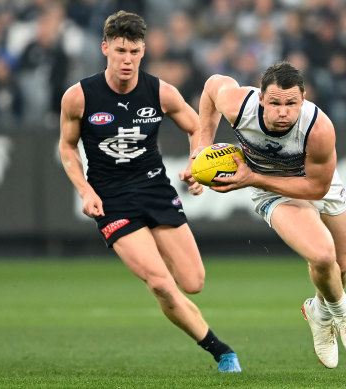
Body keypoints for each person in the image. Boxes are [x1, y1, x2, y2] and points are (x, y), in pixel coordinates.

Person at [58, 10, 241, 373]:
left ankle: (164, 279)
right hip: (112, 200)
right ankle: (221, 351)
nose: (128, 60)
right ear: (105, 48)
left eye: (135, 52)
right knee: (160, 283)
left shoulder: (161, 92)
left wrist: (196, 165)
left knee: (193, 282)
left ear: (144, 51)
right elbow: (67, 147)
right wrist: (85, 191)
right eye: (121, 51)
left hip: (155, 189)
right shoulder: (79, 96)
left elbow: (196, 128)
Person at [194, 61, 346, 369]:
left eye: (291, 103)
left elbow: (316, 187)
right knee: (321, 254)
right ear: (261, 98)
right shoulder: (239, 105)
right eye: (274, 103)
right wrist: (200, 147)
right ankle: (345, 315)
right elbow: (212, 87)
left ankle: (319, 312)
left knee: (340, 266)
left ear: (303, 99)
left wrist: (252, 178)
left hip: (316, 184)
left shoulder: (318, 128)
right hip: (272, 192)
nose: (282, 112)